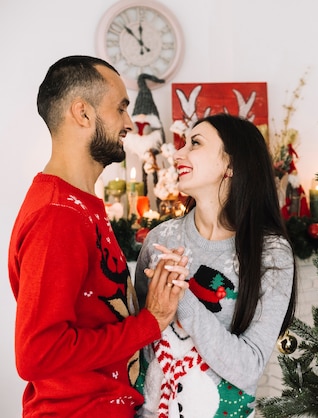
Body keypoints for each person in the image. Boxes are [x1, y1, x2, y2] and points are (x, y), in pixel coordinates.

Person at [8, 55, 189, 417]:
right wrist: (149, 323)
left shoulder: (79, 205)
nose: (129, 123)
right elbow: (37, 354)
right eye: (120, 108)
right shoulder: (58, 215)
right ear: (83, 113)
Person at [134, 113, 297, 417]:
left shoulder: (271, 252)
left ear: (231, 165)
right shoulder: (160, 240)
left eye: (194, 143)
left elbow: (248, 368)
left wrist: (182, 297)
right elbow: (138, 342)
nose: (178, 153)